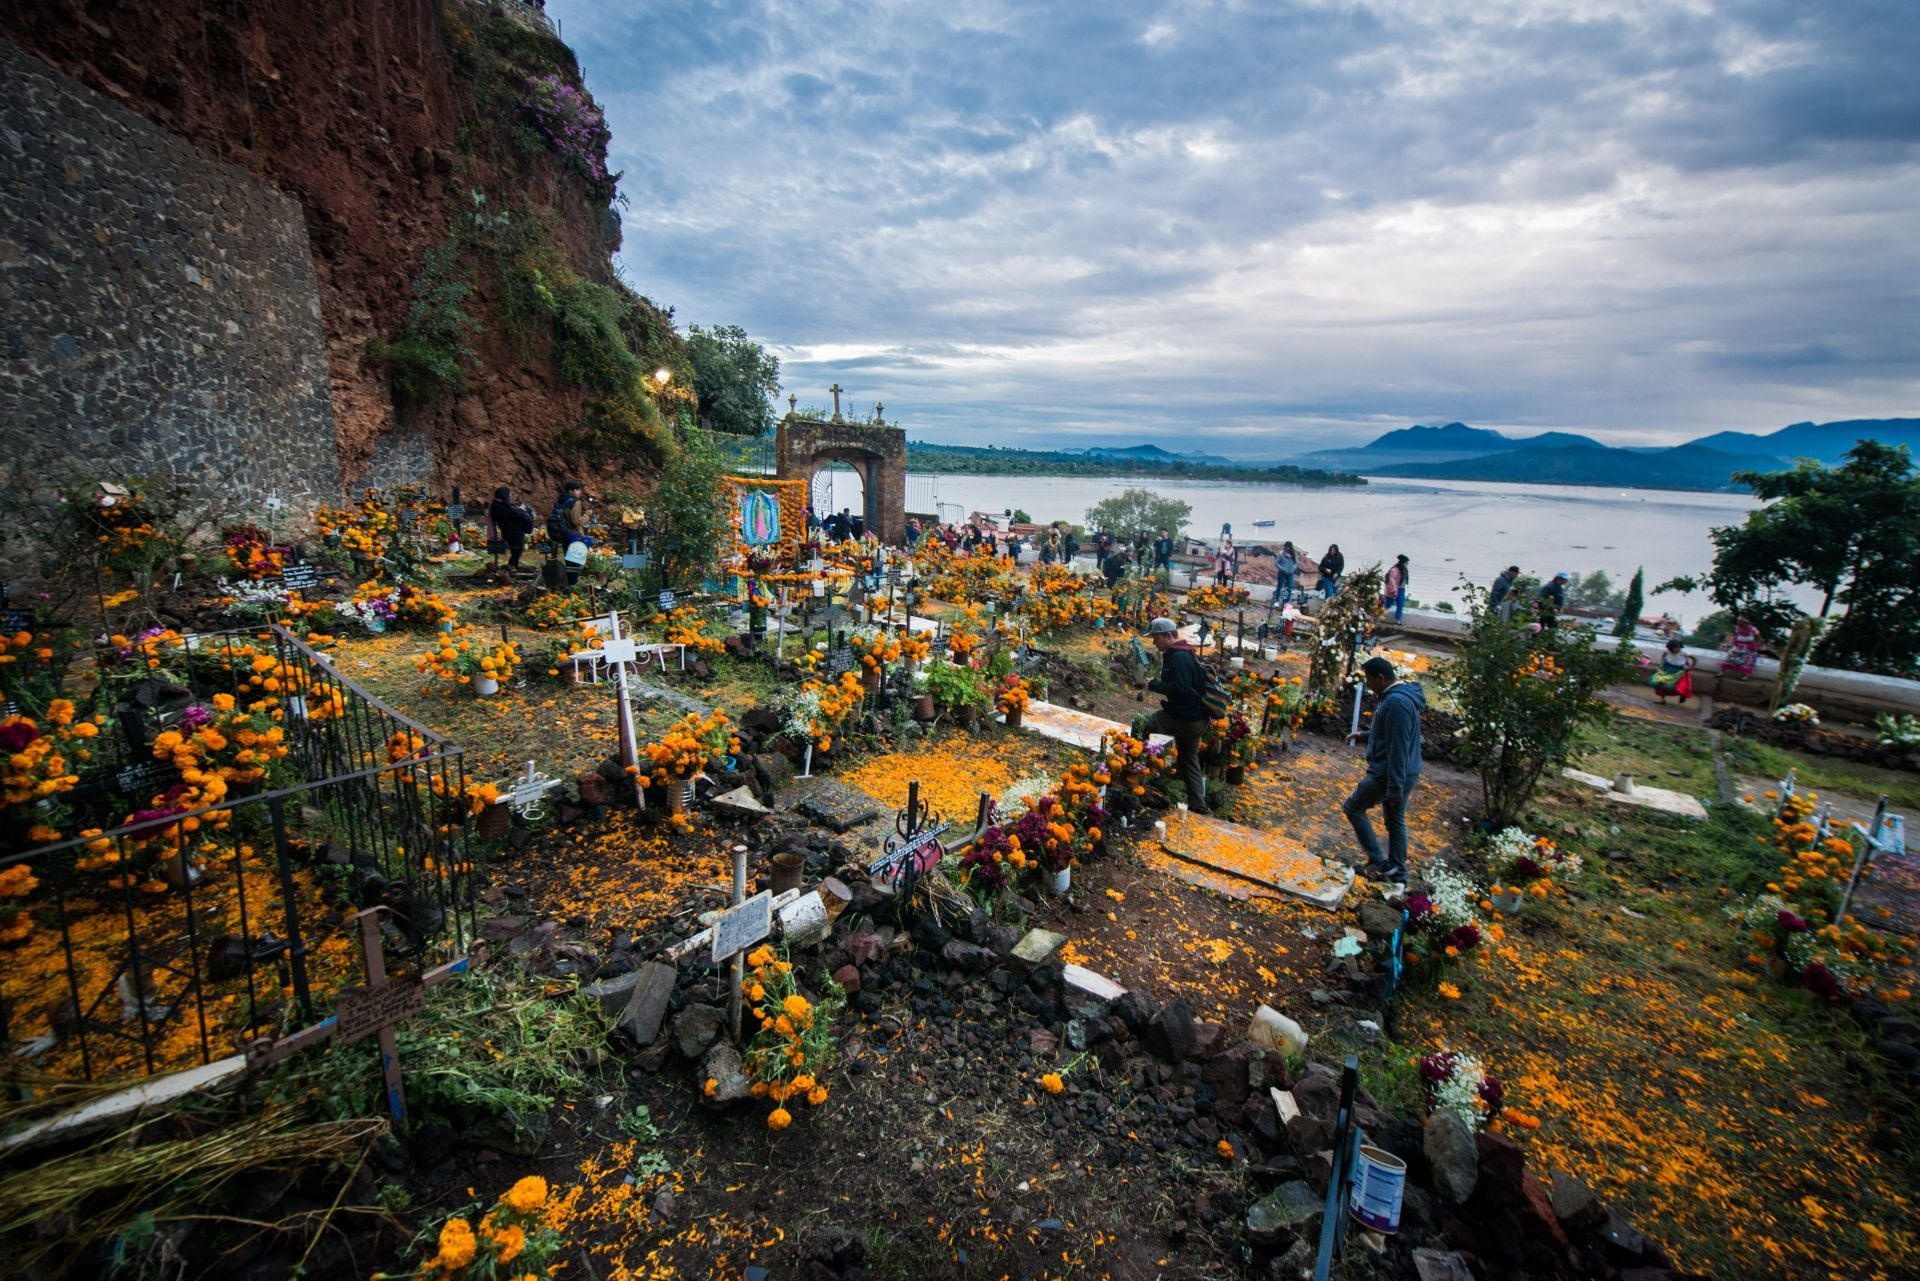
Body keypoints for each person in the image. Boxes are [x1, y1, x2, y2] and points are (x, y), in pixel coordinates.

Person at [1342, 655, 1425, 894]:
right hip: (1404, 771)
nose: (1367, 684)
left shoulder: (1396, 703)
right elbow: (1389, 732)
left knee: (1353, 807)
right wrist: (1364, 735)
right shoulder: (1399, 697)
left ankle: (1379, 861)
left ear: (1381, 678)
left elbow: (1399, 746)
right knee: (1395, 821)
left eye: (1369, 679)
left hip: (1390, 773)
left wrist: (1394, 788)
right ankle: (1397, 872)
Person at [1144, 617, 1212, 814]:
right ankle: (1198, 804)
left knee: (1149, 724)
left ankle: (1142, 773)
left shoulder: (1178, 657)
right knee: (1188, 757)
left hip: (1187, 719)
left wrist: (1154, 684)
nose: (1154, 642)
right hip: (1198, 719)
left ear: (1168, 635)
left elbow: (1180, 689)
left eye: (1156, 638)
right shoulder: (1184, 652)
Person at [487, 486, 536, 572]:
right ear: (504, 496)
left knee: (516, 551)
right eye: (509, 495)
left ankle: (512, 567)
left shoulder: (496, 506)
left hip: (508, 532)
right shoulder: (502, 507)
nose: (510, 497)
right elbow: (516, 515)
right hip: (513, 532)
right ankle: (512, 567)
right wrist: (523, 511)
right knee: (516, 551)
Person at [1649, 637, 1696, 704]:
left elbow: (1694, 658)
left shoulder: (1684, 653)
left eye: (1678, 647)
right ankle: (1662, 700)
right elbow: (1663, 656)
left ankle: (1682, 695)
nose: (1677, 649)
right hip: (1667, 668)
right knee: (1661, 683)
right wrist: (1661, 664)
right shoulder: (1667, 651)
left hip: (1679, 670)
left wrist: (1691, 667)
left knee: (1679, 685)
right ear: (1670, 648)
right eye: (1675, 648)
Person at [1383, 554, 1409, 622]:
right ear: (1403, 563)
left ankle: (1398, 620)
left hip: (1401, 589)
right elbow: (1392, 580)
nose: (1407, 564)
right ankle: (1376, 617)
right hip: (1393, 590)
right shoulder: (1394, 570)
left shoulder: (1405, 570)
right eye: (1406, 563)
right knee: (1387, 605)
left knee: (1400, 604)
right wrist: (1394, 590)